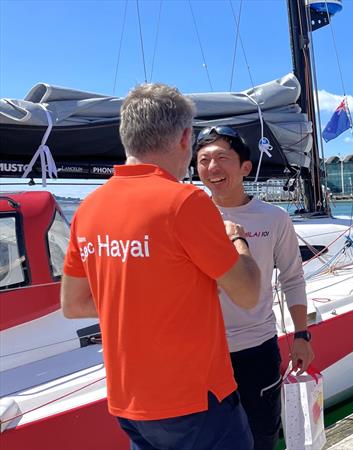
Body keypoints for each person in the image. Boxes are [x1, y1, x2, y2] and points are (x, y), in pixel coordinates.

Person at [60, 83, 261, 450]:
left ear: (126, 136)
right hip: (197, 401)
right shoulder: (184, 202)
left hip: (129, 401)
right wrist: (237, 240)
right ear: (185, 138)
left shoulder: (88, 209)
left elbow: (73, 304)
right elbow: (247, 293)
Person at [195, 126, 315, 450]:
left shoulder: (273, 218)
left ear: (245, 167)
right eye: (204, 160)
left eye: (222, 158)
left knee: (261, 437)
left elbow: (292, 277)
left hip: (256, 350)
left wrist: (302, 335)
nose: (213, 168)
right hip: (203, 354)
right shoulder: (188, 217)